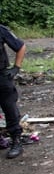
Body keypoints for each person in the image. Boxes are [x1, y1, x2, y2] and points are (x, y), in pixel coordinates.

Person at [0, 23, 27, 159]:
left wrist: (16, 67)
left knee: (9, 108)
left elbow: (20, 46)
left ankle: (16, 141)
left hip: (1, 76)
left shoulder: (1, 30)